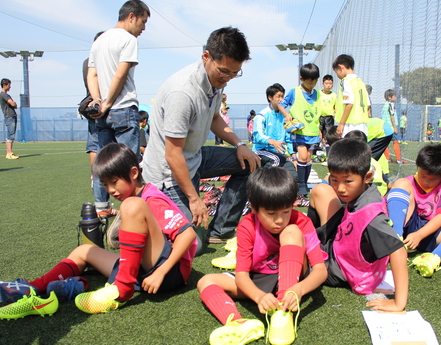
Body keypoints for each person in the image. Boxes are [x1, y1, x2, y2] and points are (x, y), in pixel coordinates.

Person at [0, 143, 198, 319]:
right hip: (143, 271)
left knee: (132, 205)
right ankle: (33, 288)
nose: (110, 190)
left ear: (134, 173)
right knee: (84, 252)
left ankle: (122, 289)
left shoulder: (150, 198)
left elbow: (188, 234)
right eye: (105, 185)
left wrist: (161, 272)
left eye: (114, 182)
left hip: (169, 274)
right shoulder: (132, 199)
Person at [142, 27, 261, 244]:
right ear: (206, 56)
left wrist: (240, 144)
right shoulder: (182, 93)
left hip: (195, 157)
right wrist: (194, 199)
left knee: (250, 163)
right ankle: (139, 216)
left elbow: (215, 118)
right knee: (191, 245)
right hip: (169, 174)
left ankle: (220, 230)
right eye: (224, 71)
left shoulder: (216, 82)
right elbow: (173, 154)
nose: (228, 79)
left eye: (235, 73)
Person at [197, 167, 327, 345]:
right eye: (271, 214)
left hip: (293, 278)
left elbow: (320, 270)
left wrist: (298, 289)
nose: (280, 220)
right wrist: (259, 297)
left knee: (291, 231)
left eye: (285, 211)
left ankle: (283, 312)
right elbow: (242, 276)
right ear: (254, 209)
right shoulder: (247, 225)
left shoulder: (301, 222)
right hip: (259, 278)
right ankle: (237, 323)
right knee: (206, 281)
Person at [308, 139, 408, 312]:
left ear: (367, 177)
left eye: (348, 181)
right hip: (341, 245)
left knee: (295, 245)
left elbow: (398, 250)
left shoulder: (371, 217)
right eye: (334, 180)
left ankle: (309, 247)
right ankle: (311, 239)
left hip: (342, 270)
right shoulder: (365, 190)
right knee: (320, 191)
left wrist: (399, 303)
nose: (340, 188)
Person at [87, 0, 150, 217]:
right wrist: (108, 102)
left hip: (101, 114)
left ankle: (102, 208)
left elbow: (92, 74)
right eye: (143, 22)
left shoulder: (99, 41)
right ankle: (133, 212)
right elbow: (120, 74)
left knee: (102, 163)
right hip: (122, 109)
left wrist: (98, 101)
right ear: (131, 16)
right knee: (129, 164)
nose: (143, 28)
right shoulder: (128, 39)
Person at [386, 143, 441, 278]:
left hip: (433, 233)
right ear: (418, 167)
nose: (427, 182)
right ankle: (395, 240)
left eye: (433, 179)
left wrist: (419, 235)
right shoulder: (408, 182)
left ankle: (434, 258)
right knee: (400, 183)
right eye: (423, 176)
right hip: (408, 227)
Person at [279, 63, 322, 196]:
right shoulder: (294, 92)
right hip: (299, 131)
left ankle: (304, 182)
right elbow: (282, 105)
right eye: (310, 82)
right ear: (302, 78)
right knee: (302, 157)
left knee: (308, 158)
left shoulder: (318, 94)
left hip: (313, 131)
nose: (312, 84)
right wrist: (287, 115)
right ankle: (301, 185)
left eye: (315, 81)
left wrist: (320, 130)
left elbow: (318, 114)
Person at [251, 83, 298, 184]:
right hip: (261, 151)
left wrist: (294, 158)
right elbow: (257, 136)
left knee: (294, 178)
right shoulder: (261, 116)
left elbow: (289, 138)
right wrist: (273, 142)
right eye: (278, 96)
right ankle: (257, 183)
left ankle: (296, 198)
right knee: (276, 160)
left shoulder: (285, 116)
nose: (281, 99)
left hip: (279, 154)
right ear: (270, 97)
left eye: (282, 96)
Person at [324, 128, 387, 196]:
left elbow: (332, 176)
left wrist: (323, 185)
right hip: (381, 192)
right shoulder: (375, 162)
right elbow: (387, 183)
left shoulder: (350, 162)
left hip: (364, 192)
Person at [82, 31, 105, 191]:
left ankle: (95, 177)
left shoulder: (87, 62)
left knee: (94, 146)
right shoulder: (104, 60)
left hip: (92, 106)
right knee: (101, 145)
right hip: (105, 105)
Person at [332, 54, 370, 138]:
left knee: (349, 149)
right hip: (362, 125)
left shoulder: (345, 81)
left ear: (340, 67)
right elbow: (368, 104)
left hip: (350, 124)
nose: (337, 75)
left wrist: (341, 124)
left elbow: (349, 103)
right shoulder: (360, 82)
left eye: (336, 72)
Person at [381, 89, 404, 164]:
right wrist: (395, 127)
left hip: (385, 126)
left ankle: (387, 158)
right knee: (395, 141)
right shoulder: (391, 104)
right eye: (394, 96)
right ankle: (398, 159)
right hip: (390, 126)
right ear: (389, 97)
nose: (396, 97)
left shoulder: (385, 105)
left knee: (386, 143)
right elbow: (392, 116)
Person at [0, 78, 19, 159]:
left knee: (11, 134)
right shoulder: (3, 95)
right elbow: (12, 103)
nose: (10, 87)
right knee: (10, 135)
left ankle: (10, 153)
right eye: (9, 85)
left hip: (12, 116)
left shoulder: (6, 95)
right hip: (9, 117)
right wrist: (13, 103)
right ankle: (9, 153)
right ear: (4, 85)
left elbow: (15, 105)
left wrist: (14, 104)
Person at [319, 74, 337, 143]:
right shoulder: (318, 93)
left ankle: (327, 146)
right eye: (326, 83)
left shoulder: (334, 95)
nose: (328, 85)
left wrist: (335, 113)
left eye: (330, 83)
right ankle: (318, 146)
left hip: (329, 117)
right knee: (319, 132)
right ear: (323, 84)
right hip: (320, 116)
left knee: (328, 133)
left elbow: (336, 107)